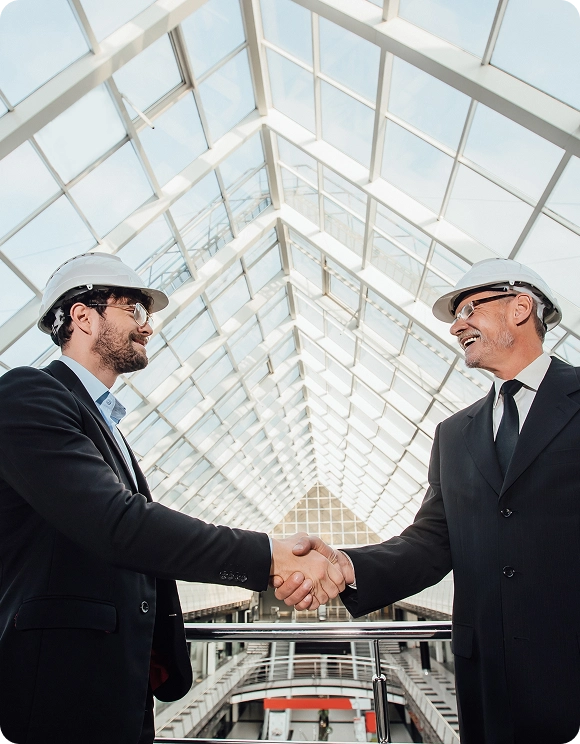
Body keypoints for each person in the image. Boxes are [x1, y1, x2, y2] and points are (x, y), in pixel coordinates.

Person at [0, 252, 344, 744]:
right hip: (54, 692)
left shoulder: (102, 423)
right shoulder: (27, 395)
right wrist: (266, 556)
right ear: (82, 317)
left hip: (112, 688)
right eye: (135, 311)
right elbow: (118, 525)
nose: (149, 328)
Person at [275, 258, 580, 744]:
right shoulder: (455, 433)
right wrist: (346, 565)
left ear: (521, 307)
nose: (457, 325)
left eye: (469, 309)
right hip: (490, 686)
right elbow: (432, 542)